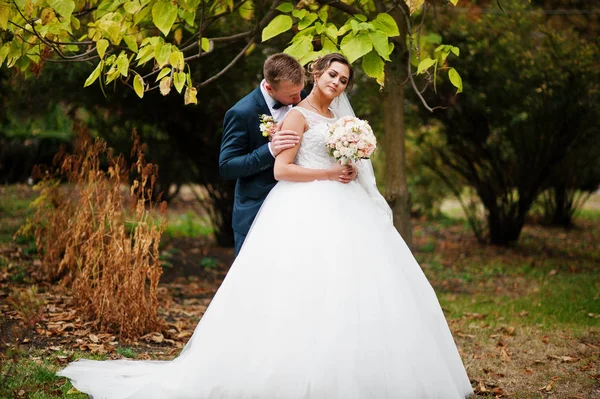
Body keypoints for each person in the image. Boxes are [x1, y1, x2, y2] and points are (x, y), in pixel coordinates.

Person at [57, 53, 474, 398]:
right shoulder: (289, 115)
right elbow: (277, 169)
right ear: (315, 73)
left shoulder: (342, 120)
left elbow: (334, 161)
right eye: (332, 74)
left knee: (346, 288)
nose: (337, 83)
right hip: (295, 206)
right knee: (281, 290)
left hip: (343, 210)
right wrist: (326, 173)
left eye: (344, 79)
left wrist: (349, 162)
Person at [218, 53, 356, 255]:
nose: (298, 99)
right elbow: (227, 166)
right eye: (292, 96)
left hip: (302, 205)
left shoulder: (300, 101)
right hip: (256, 206)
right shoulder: (242, 112)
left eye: (300, 92)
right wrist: (270, 151)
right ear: (269, 88)